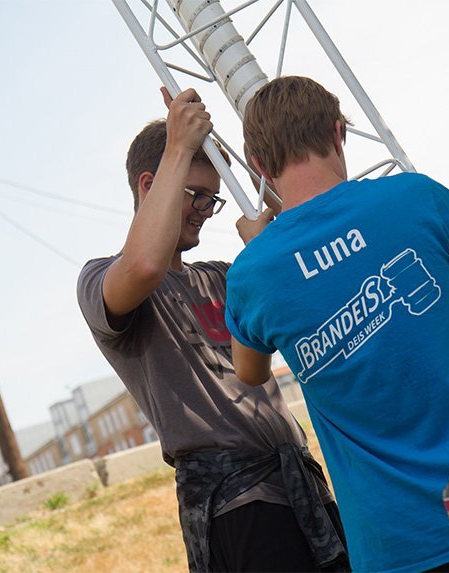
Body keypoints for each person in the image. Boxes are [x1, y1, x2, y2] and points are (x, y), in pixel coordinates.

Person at [224, 76, 449, 572]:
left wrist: (266, 250)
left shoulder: (253, 274)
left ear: (259, 167)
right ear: (338, 135)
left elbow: (249, 372)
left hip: (398, 547)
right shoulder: (414, 198)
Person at [76, 86, 349, 572]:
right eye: (195, 195)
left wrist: (268, 248)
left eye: (212, 200)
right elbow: (143, 266)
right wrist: (179, 146)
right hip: (237, 506)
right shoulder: (101, 278)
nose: (205, 209)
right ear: (149, 185)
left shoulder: (225, 276)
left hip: (301, 486)